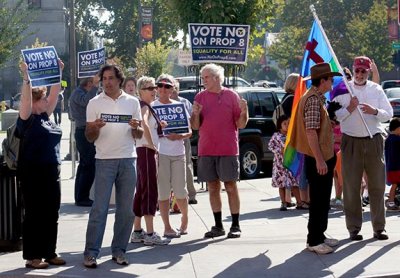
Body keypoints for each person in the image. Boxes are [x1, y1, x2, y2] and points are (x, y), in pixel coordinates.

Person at [83, 64, 143, 268]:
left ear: (120, 80)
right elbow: (89, 138)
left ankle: (119, 251)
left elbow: (139, 135)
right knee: (99, 209)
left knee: (126, 211)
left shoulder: (133, 102)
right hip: (104, 160)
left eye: (111, 78)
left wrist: (137, 128)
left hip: (128, 159)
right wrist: (93, 128)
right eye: (104, 78)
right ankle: (91, 253)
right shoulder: (94, 103)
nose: (107, 82)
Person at [334, 56, 393, 241]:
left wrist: (375, 111)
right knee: (351, 186)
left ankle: (379, 227)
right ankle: (353, 228)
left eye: (363, 71)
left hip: (373, 139)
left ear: (368, 71)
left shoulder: (376, 89)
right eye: (357, 70)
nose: (359, 74)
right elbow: (334, 115)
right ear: (353, 69)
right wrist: (350, 108)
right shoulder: (343, 88)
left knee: (377, 185)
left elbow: (388, 114)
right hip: (350, 141)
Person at [191, 63, 248, 239]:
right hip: (206, 149)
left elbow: (241, 124)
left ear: (216, 77)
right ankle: (218, 226)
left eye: (206, 77)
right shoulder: (200, 97)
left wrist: (245, 111)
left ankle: (235, 225)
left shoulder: (231, 96)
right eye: (203, 77)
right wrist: (195, 114)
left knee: (230, 186)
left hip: (228, 148)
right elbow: (195, 126)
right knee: (213, 186)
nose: (203, 80)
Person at [17, 60, 66, 269]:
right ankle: (32, 256)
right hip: (33, 171)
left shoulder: (46, 116)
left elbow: (55, 93)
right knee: (34, 214)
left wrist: (59, 72)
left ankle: (49, 252)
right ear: (37, 100)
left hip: (51, 170)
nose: (49, 100)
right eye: (44, 97)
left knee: (51, 213)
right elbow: (26, 99)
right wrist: (26, 76)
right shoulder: (27, 117)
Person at [289, 62, 340, 254]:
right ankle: (314, 240)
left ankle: (320, 234)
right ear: (323, 80)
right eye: (330, 79)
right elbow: (311, 132)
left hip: (322, 156)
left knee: (323, 199)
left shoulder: (316, 98)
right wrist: (319, 159)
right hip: (317, 158)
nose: (332, 82)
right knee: (318, 200)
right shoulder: (312, 100)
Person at [130, 76, 170, 245]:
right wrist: (152, 144)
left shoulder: (146, 106)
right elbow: (144, 123)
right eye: (150, 88)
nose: (154, 90)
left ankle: (138, 231)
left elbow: (148, 124)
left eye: (155, 87)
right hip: (146, 151)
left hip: (143, 150)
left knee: (141, 190)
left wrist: (159, 125)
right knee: (149, 190)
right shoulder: (144, 106)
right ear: (141, 91)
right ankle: (150, 233)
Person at [153, 74, 191, 238]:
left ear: (172, 89)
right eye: (160, 85)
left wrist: (179, 136)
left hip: (178, 153)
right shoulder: (151, 107)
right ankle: (167, 226)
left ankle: (185, 219)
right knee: (163, 192)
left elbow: (189, 131)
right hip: (160, 153)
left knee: (180, 191)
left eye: (167, 86)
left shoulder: (179, 106)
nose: (163, 89)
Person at [69, 77, 99, 207]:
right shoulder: (78, 93)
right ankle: (82, 197)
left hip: (84, 130)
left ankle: (81, 196)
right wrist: (95, 87)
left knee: (84, 165)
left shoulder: (79, 92)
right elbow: (87, 101)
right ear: (89, 84)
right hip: (83, 131)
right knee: (88, 165)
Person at [268, 114, 304, 211]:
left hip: (291, 164)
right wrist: (279, 150)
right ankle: (283, 203)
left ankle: (299, 202)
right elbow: (271, 146)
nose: (287, 126)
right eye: (285, 124)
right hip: (280, 165)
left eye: (289, 123)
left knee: (294, 184)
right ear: (280, 125)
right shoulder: (276, 136)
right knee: (282, 185)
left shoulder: (292, 136)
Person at [171, 79, 198, 204]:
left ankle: (191, 195)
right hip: (166, 140)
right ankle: (171, 197)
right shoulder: (160, 103)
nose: (173, 90)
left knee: (187, 165)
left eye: (174, 87)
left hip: (183, 139)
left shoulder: (185, 102)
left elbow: (192, 122)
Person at [384, 117, 400, 211]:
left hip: (391, 167)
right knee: (394, 185)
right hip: (396, 167)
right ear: (397, 128)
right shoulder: (396, 140)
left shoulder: (389, 139)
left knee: (395, 184)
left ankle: (392, 201)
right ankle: (391, 202)